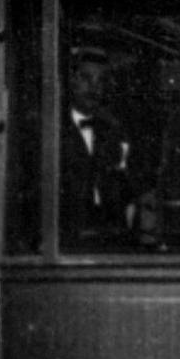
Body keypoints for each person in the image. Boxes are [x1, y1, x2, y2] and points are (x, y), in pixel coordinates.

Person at [61, 45, 134, 247]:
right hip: (66, 242)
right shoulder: (54, 131)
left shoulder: (113, 130)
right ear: (72, 81)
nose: (94, 88)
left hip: (108, 242)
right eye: (86, 78)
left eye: (100, 81)